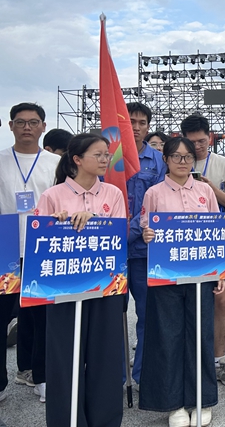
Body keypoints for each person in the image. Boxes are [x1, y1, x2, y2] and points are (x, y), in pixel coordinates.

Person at [37, 133, 126, 426]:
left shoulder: (113, 193)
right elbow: (39, 243)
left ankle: (105, 420)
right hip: (63, 289)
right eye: (98, 155)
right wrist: (55, 225)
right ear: (77, 159)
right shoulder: (53, 196)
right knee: (64, 358)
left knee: (105, 356)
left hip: (105, 284)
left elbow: (120, 235)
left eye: (106, 154)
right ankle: (67, 420)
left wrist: (94, 221)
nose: (105, 160)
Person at [139, 137, 225, 426]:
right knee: (168, 336)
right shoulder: (153, 193)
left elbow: (216, 230)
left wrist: (220, 272)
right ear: (165, 159)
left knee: (201, 334)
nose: (182, 162)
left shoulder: (204, 190)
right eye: (176, 156)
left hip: (201, 274)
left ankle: (202, 399)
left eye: (188, 157)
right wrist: (147, 234)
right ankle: (173, 403)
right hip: (166, 275)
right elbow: (145, 225)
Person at [0, 103, 60, 403]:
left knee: (42, 316)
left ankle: (42, 376)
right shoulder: (0, 159)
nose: (27, 127)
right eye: (20, 122)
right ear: (10, 125)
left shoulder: (55, 163)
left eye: (33, 122)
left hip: (42, 246)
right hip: (5, 244)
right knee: (2, 315)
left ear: (43, 127)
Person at [180, 114, 225, 388]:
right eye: (191, 142)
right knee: (182, 300)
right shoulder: (173, 160)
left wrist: (210, 189)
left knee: (221, 300)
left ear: (211, 138)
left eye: (202, 141)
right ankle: (187, 359)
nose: (197, 147)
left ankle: (219, 360)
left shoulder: (224, 164)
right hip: (181, 240)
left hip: (217, 238)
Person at [125, 103, 168, 385]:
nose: (136, 127)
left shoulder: (158, 160)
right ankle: (113, 377)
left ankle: (142, 375)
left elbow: (160, 203)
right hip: (108, 252)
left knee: (146, 315)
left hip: (144, 251)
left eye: (142, 122)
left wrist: (130, 232)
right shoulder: (107, 156)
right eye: (131, 121)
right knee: (109, 319)